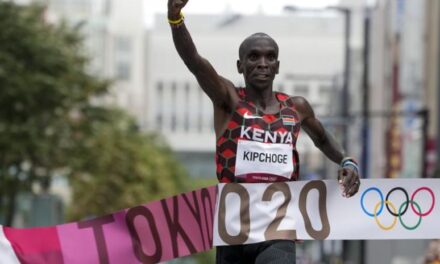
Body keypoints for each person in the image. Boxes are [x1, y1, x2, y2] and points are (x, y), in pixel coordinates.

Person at [167, 0, 361, 263]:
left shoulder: (296, 107)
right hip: (233, 231)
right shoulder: (229, 100)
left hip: (278, 228)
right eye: (254, 57)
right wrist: (176, 18)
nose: (262, 63)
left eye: (270, 57)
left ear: (277, 66)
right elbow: (194, 61)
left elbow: (323, 138)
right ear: (240, 65)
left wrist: (346, 160)